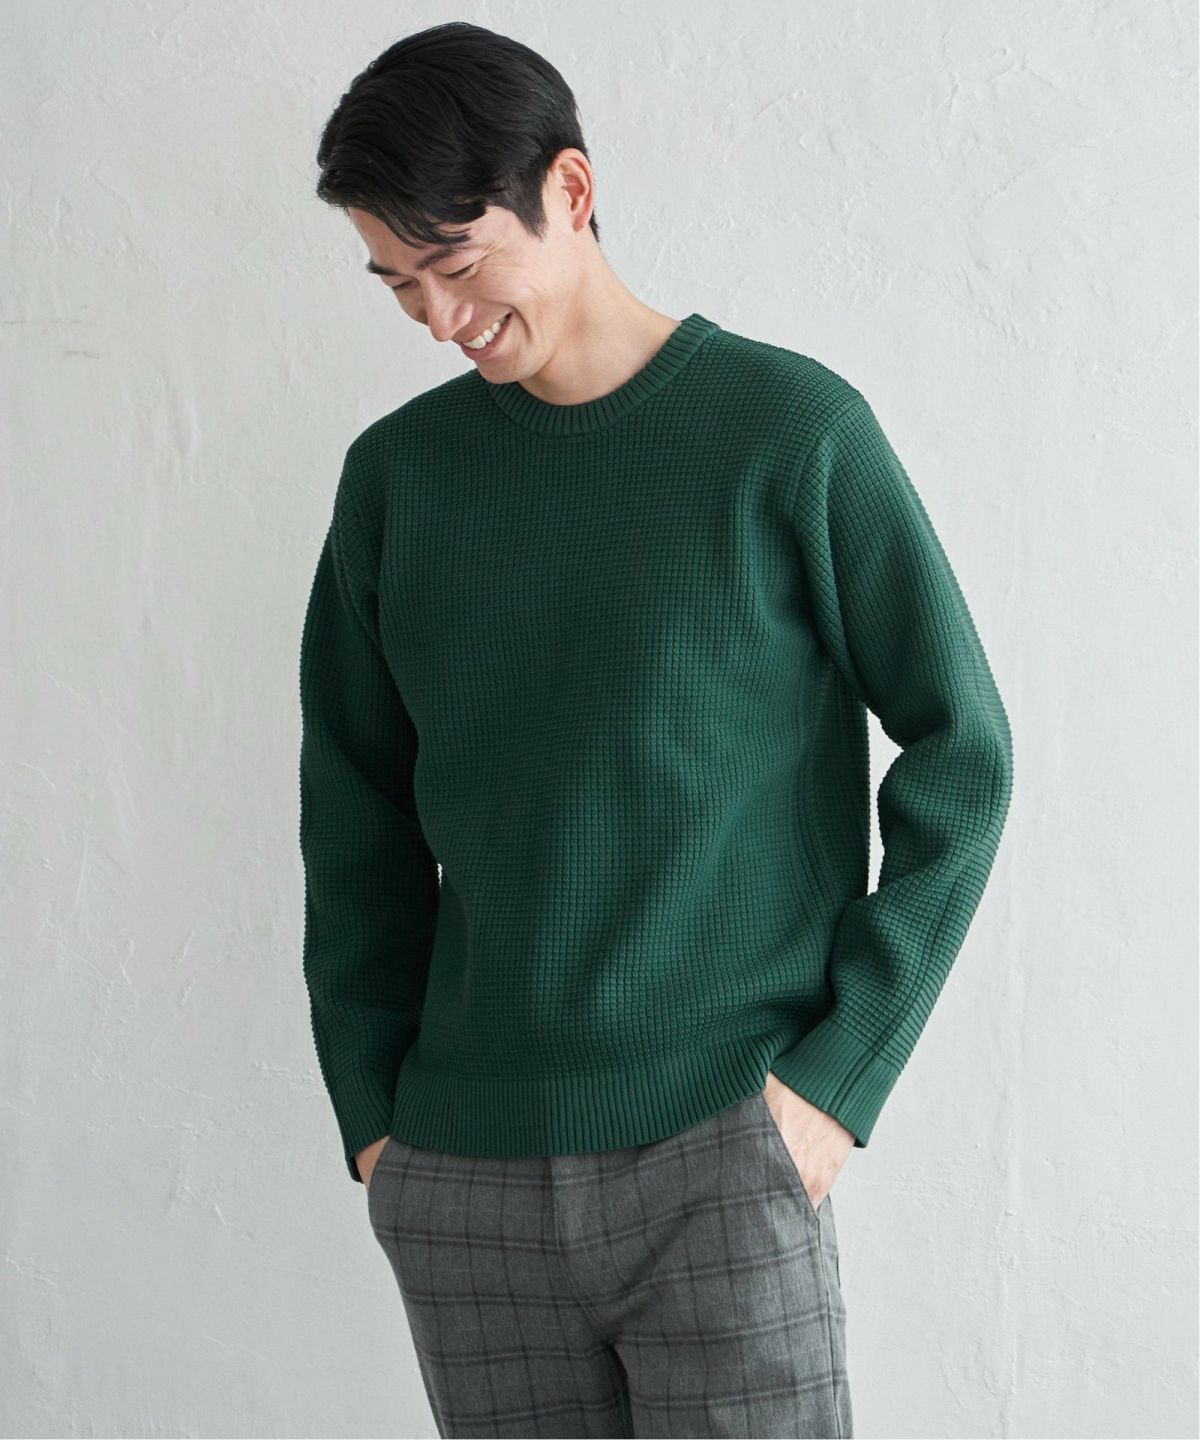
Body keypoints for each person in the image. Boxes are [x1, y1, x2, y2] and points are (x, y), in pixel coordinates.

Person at [298, 21, 1013, 1440]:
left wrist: (833, 1082)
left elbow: (962, 752)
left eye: (455, 264)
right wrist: (378, 1123)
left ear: (569, 191)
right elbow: (353, 814)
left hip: (722, 1153)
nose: (437, 319)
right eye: (397, 285)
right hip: (465, 1176)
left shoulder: (788, 433)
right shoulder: (396, 484)